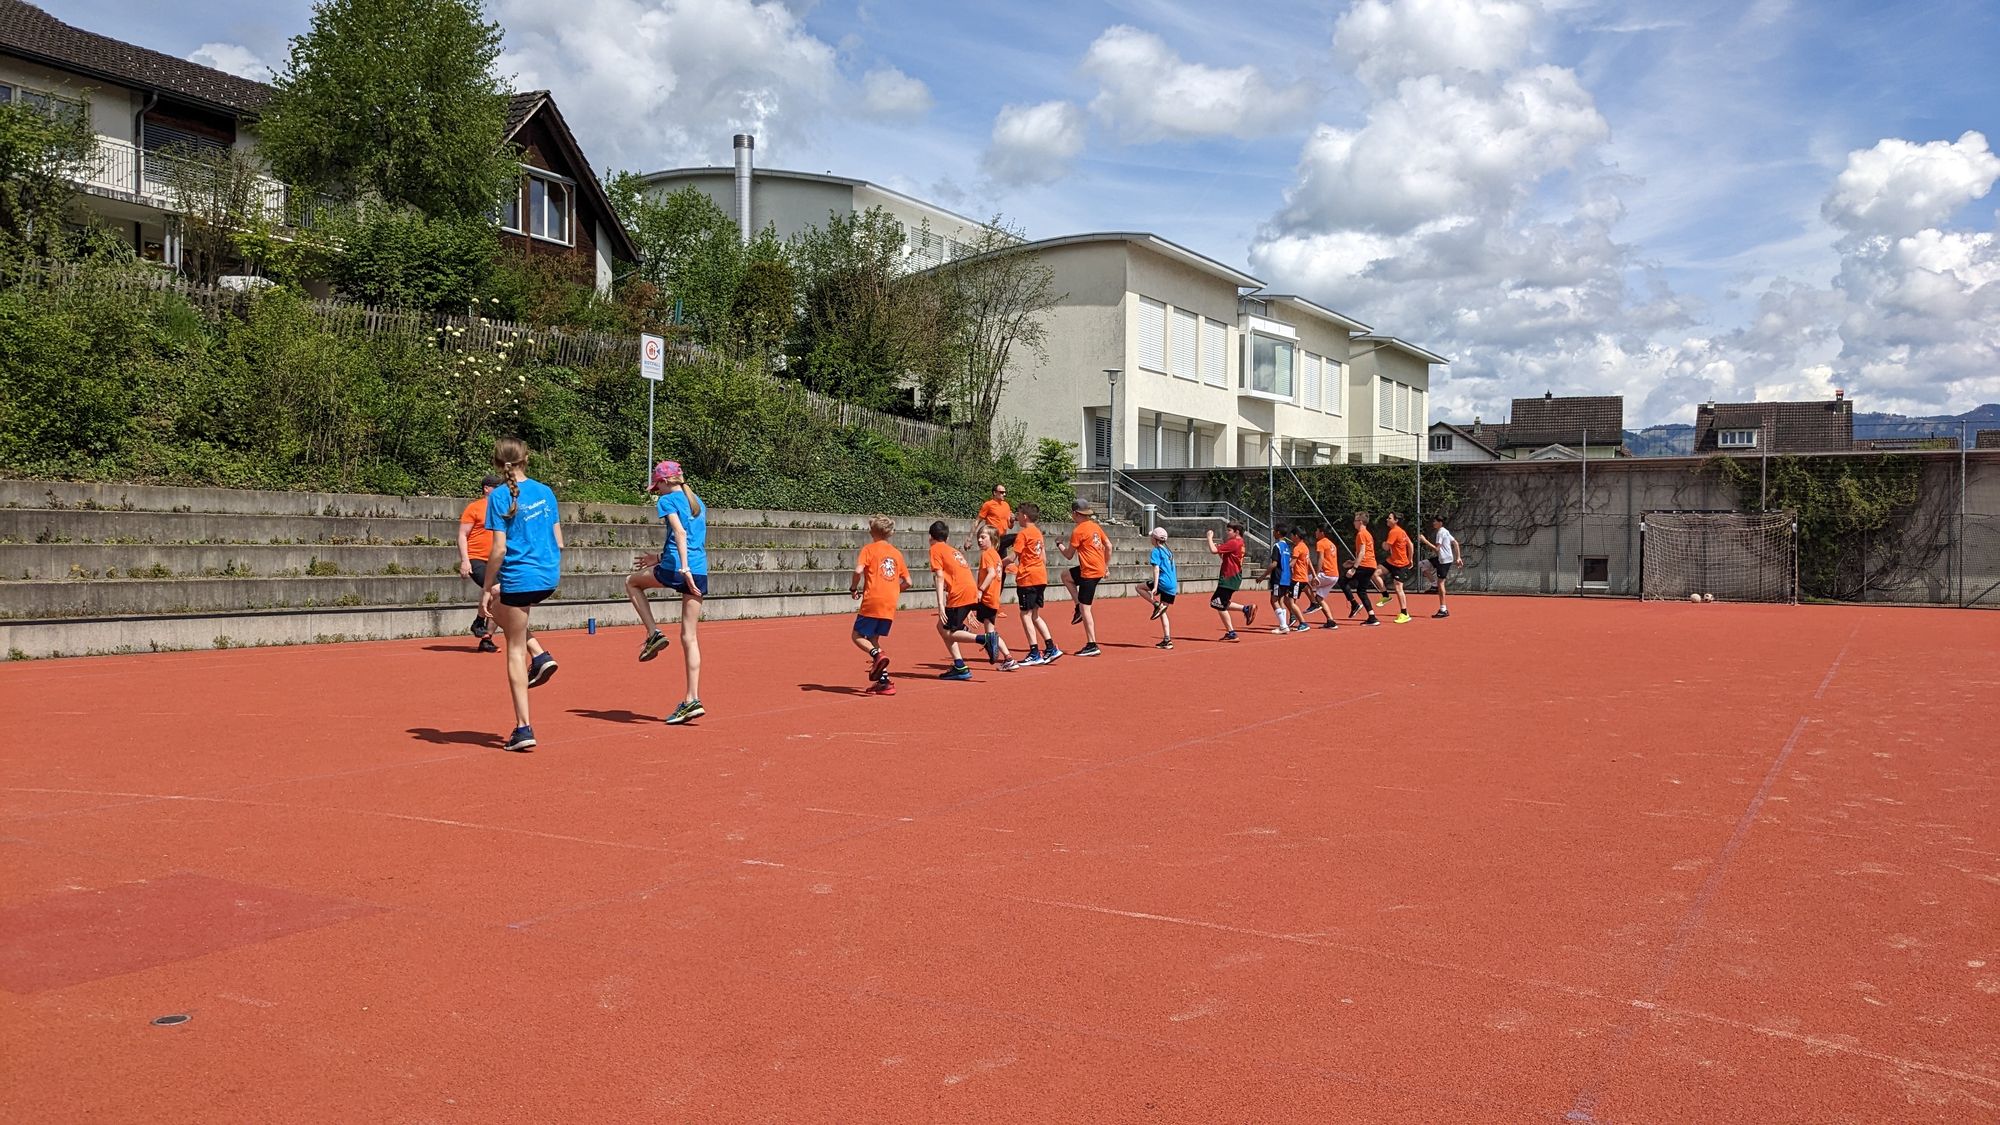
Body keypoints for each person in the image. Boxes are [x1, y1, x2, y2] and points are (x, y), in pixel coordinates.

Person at [479, 438, 563, 751]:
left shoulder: (499, 496)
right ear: (526, 458)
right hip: (548, 576)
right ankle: (539, 654)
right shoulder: (546, 492)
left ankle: (523, 727)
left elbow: (499, 549)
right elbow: (559, 540)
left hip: (521, 577)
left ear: (497, 463)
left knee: (513, 649)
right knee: (501, 609)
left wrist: (487, 587)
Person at [626, 460, 709, 725]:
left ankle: (653, 633)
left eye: (657, 487)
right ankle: (692, 699)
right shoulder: (697, 502)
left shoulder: (667, 501)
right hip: (699, 569)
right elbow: (692, 540)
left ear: (663, 482)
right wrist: (658, 558)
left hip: (679, 568)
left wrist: (682, 568)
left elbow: (680, 533)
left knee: (632, 583)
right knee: (689, 636)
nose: (656, 492)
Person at [849, 515, 911, 695]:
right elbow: (908, 582)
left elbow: (858, 571)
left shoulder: (868, 549)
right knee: (874, 639)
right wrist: (894, 591)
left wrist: (853, 588)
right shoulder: (896, 553)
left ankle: (877, 655)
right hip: (889, 603)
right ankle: (884, 682)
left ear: (872, 531)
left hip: (873, 600)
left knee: (857, 636)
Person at [928, 521, 984, 681]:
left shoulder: (935, 549)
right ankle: (959, 665)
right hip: (968, 590)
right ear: (946, 537)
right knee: (942, 626)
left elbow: (939, 577)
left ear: (930, 537)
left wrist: (940, 605)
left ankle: (984, 639)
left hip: (960, 593)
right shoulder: (952, 551)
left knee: (948, 632)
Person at [456, 474, 502, 652]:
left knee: (499, 597)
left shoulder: (503, 508)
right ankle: (479, 621)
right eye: (497, 487)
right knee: (496, 589)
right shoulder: (475, 507)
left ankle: (486, 638)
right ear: (487, 489)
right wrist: (465, 561)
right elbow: (462, 535)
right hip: (477, 558)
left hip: (497, 560)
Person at [1056, 500, 1108, 657]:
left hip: (1089, 572)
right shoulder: (1095, 527)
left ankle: (1092, 644)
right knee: (1066, 576)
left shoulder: (1078, 531)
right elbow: (1109, 546)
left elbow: (1068, 555)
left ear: (1075, 513)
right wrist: (1106, 565)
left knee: (1087, 609)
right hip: (1096, 568)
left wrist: (1059, 544)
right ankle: (1077, 605)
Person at [1011, 504, 1060, 665]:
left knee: (1025, 614)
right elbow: (1043, 558)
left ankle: (1034, 652)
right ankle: (1050, 647)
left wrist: (997, 563)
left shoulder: (1023, 534)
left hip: (1028, 578)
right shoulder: (1038, 533)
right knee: (1035, 615)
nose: (1017, 516)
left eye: (1018, 514)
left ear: (1025, 516)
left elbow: (1012, 557)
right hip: (1040, 576)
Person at [973, 525, 1020, 671]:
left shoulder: (987, 554)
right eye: (979, 537)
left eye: (983, 537)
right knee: (991, 632)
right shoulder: (996, 555)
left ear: (992, 539)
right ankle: (1007, 657)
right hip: (993, 598)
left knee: (990, 633)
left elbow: (992, 573)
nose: (979, 540)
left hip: (987, 598)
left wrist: (980, 589)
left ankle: (1008, 657)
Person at [1204, 522, 1257, 640]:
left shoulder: (1234, 542)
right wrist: (1221, 551)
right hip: (1233, 577)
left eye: (1229, 530)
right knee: (1221, 602)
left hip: (1229, 577)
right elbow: (1226, 557)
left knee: (1217, 603)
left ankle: (1231, 632)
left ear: (1236, 532)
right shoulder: (1240, 543)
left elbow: (1213, 550)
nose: (1227, 533)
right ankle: (1245, 609)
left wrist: (1209, 538)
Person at [1340, 510, 1383, 627]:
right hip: (1370, 565)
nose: (1353, 523)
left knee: (1343, 581)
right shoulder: (1367, 534)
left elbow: (1363, 552)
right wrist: (1353, 562)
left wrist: (1354, 568)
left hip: (1365, 565)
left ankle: (1354, 605)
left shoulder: (1361, 534)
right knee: (1361, 591)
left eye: (1355, 520)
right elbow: (1366, 552)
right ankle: (1372, 617)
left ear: (1360, 522)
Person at [1139, 527, 1179, 649]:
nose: (1150, 539)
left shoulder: (1156, 551)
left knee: (1139, 588)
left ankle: (1156, 604)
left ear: (1155, 539)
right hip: (1172, 585)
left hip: (1163, 582)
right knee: (1163, 612)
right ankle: (1167, 640)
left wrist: (1155, 587)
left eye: (1152, 537)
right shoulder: (1168, 551)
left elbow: (1156, 569)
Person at [1261, 524, 1298, 635]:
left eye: (1274, 531)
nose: (1273, 532)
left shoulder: (1277, 546)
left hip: (1278, 577)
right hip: (1287, 578)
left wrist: (1263, 576)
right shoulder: (1287, 546)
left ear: (1277, 532)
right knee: (1281, 600)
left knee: (1273, 600)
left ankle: (1283, 626)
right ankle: (1284, 625)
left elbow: (1274, 563)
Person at [1421, 514, 1458, 619]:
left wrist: (1424, 541)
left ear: (1440, 523)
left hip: (1444, 560)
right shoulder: (1445, 531)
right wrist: (1458, 558)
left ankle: (1443, 610)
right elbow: (1455, 543)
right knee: (1422, 564)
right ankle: (1434, 585)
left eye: (1435, 521)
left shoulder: (1441, 532)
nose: (1433, 523)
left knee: (1441, 583)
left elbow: (1437, 549)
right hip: (1442, 558)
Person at [1381, 512, 1415, 624]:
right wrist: (1410, 559)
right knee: (1376, 573)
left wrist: (1383, 544)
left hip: (1399, 564)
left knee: (1398, 588)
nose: (1387, 519)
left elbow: (1386, 547)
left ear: (1396, 521)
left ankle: (1404, 614)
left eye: (1389, 518)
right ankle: (1385, 596)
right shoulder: (1401, 531)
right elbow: (1410, 544)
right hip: (1392, 561)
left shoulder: (1394, 531)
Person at [1311, 525, 1342, 629]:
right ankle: (1330, 621)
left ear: (1322, 532)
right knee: (1319, 598)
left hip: (1327, 574)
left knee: (1303, 580)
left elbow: (1321, 559)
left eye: (1317, 530)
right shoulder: (1331, 543)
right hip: (1334, 575)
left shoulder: (1321, 543)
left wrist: (1316, 575)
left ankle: (1313, 604)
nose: (1315, 532)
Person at [1288, 529, 1315, 633]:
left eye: (1292, 535)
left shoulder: (1297, 548)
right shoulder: (1305, 547)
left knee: (1291, 603)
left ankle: (1303, 623)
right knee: (1291, 601)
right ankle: (1296, 619)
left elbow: (1292, 564)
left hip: (1298, 578)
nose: (1291, 537)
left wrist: (1282, 566)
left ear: (1296, 536)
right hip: (1303, 578)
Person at [975, 484, 1014, 553]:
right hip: (992, 538)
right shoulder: (988, 505)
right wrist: (969, 538)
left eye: (1005, 492)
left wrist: (1012, 521)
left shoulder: (1006, 505)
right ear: (995, 493)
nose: (1004, 494)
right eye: (1002, 492)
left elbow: (1010, 526)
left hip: (1002, 538)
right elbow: (977, 521)